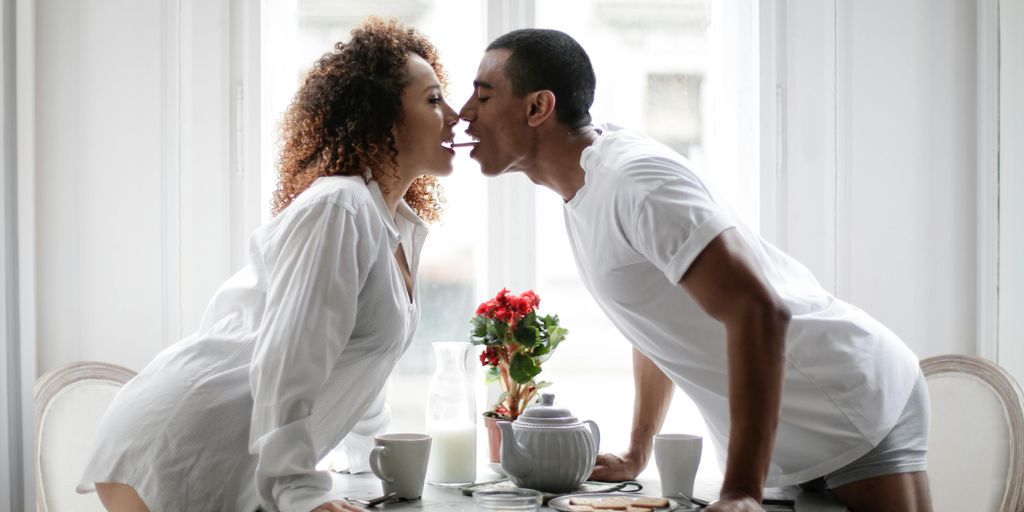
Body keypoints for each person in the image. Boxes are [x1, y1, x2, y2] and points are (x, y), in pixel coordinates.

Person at [458, 28, 932, 512]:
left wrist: (740, 492)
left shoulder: (634, 181)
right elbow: (654, 322)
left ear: (538, 107)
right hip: (785, 436)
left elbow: (759, 312)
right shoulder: (584, 191)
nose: (464, 113)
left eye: (483, 95)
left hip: (846, 398)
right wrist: (636, 451)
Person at [77, 18, 460, 512]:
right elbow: (291, 358)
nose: (454, 115)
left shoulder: (396, 227)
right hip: (180, 443)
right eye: (432, 100)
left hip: (223, 449)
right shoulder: (338, 207)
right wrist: (300, 491)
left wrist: (377, 467)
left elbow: (362, 364)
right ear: (382, 118)